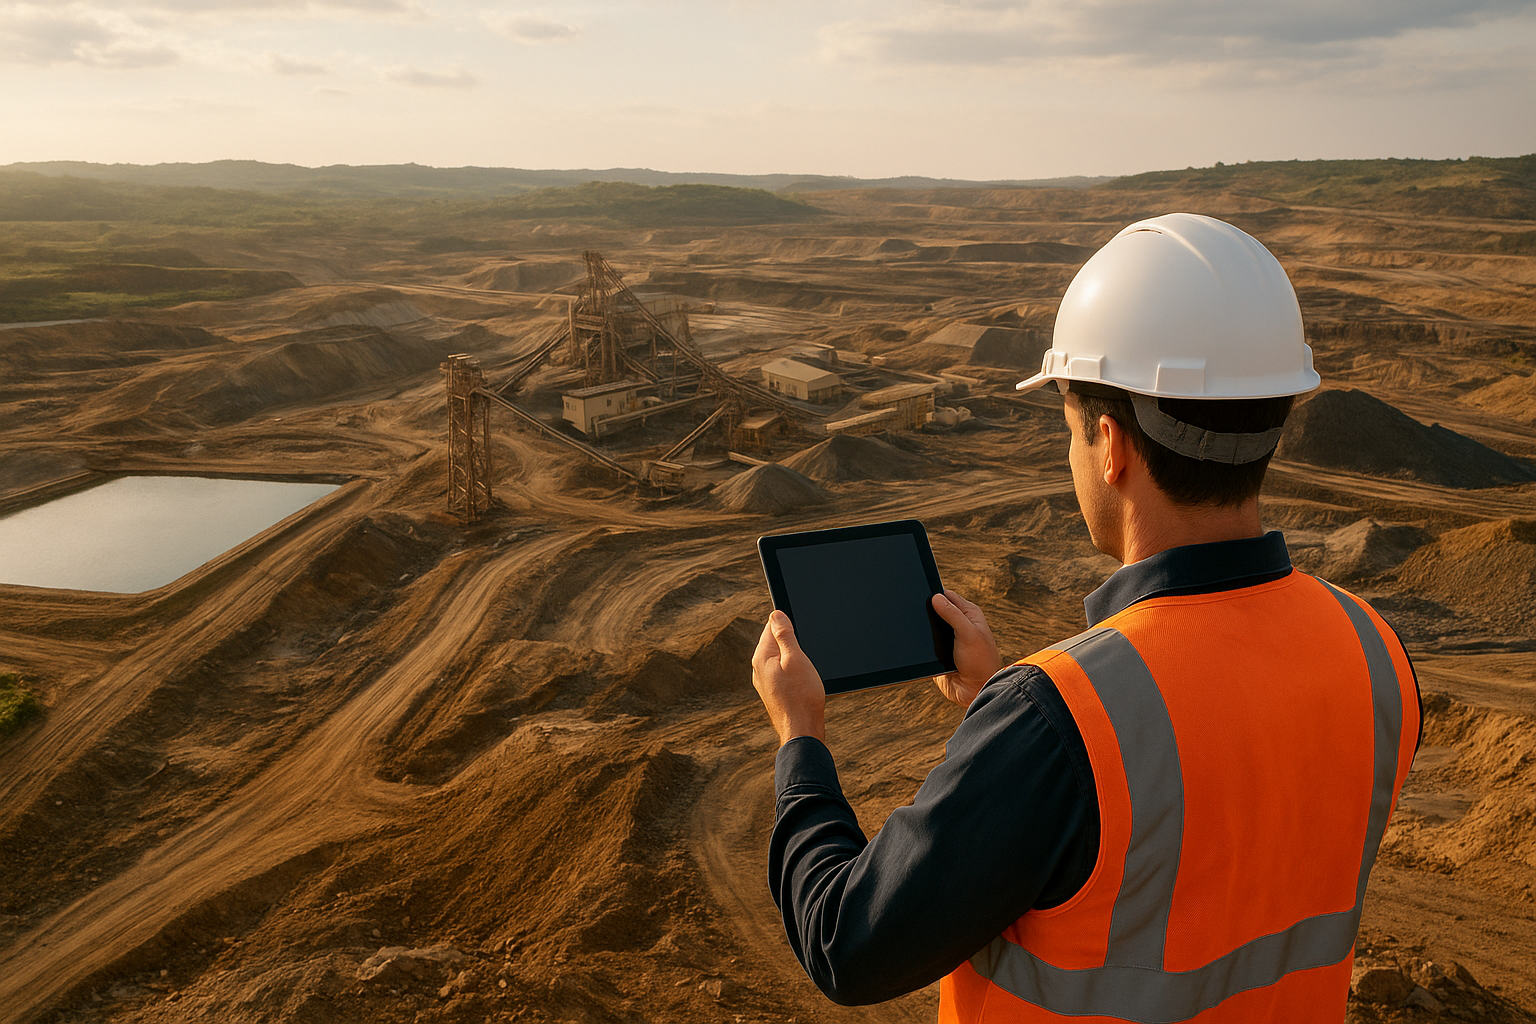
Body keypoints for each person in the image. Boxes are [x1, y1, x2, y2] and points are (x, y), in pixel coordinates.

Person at [750, 213, 1422, 1023]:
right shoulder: (1373, 651)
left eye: (1069, 427)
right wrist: (1000, 703)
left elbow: (847, 946)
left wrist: (801, 738)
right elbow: (1205, 824)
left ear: (1110, 445)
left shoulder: (1059, 720)